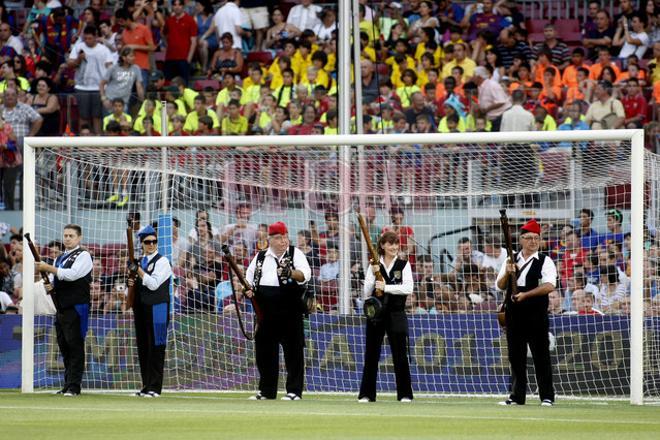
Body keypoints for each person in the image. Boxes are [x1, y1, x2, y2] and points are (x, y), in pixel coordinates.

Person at [244, 221, 312, 400]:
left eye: (285, 237)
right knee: (264, 353)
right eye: (279, 238)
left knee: (293, 352)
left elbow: (305, 274)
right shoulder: (259, 257)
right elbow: (248, 279)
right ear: (270, 239)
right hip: (265, 312)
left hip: (289, 310)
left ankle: (294, 390)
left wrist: (290, 272)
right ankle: (266, 390)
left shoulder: (294, 253)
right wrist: (248, 289)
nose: (284, 241)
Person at [496, 219, 557, 406]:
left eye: (536, 238)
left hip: (536, 314)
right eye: (529, 238)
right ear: (521, 239)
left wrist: (525, 295)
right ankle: (516, 396)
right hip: (514, 314)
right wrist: (508, 272)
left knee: (541, 356)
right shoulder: (510, 259)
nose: (533, 241)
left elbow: (549, 285)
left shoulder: (545, 261)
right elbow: (500, 285)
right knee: (516, 356)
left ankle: (547, 395)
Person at [36, 224, 93, 396]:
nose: (67, 238)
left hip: (76, 306)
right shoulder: (59, 257)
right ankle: (68, 383)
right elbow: (56, 279)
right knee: (64, 346)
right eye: (66, 235)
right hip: (61, 307)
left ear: (79, 237)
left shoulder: (84, 255)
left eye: (71, 236)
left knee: (75, 345)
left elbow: (72, 274)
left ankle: (75, 386)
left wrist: (48, 268)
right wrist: (49, 285)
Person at [358, 231, 413, 403]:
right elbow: (366, 293)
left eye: (396, 244)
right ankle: (367, 394)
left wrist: (386, 286)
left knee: (400, 354)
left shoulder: (404, 265)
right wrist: (374, 279)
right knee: (372, 354)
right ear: (382, 246)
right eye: (390, 244)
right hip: (376, 314)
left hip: (396, 313)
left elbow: (408, 288)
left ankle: (405, 394)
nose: (394, 247)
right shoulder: (373, 264)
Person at [127, 225, 173, 397]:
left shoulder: (162, 261)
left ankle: (155, 387)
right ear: (142, 243)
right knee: (143, 347)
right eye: (147, 242)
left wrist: (137, 270)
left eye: (154, 241)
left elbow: (154, 284)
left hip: (157, 308)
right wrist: (130, 283)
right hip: (141, 309)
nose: (151, 245)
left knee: (156, 347)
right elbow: (136, 285)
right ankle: (146, 385)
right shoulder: (139, 262)